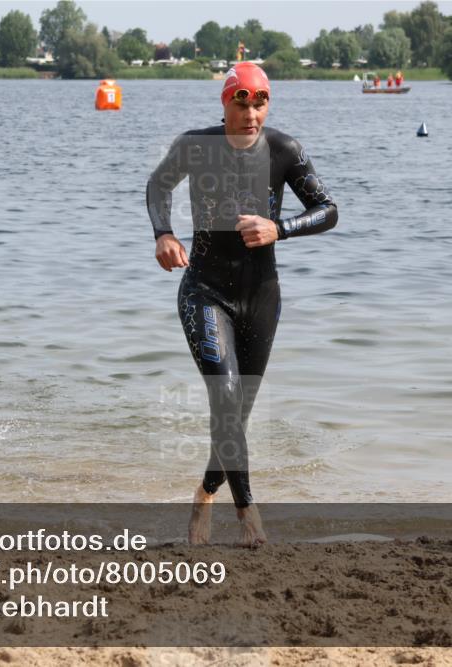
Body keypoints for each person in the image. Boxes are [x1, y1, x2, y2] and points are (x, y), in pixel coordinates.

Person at [146, 63, 337, 546]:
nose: (251, 113)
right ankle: (249, 514)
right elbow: (158, 186)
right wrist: (164, 234)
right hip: (205, 292)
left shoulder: (284, 150)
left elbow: (329, 210)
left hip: (261, 296)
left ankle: (205, 492)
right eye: (241, 102)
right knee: (226, 400)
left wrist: (281, 227)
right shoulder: (195, 145)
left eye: (261, 103)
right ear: (225, 102)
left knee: (236, 416)